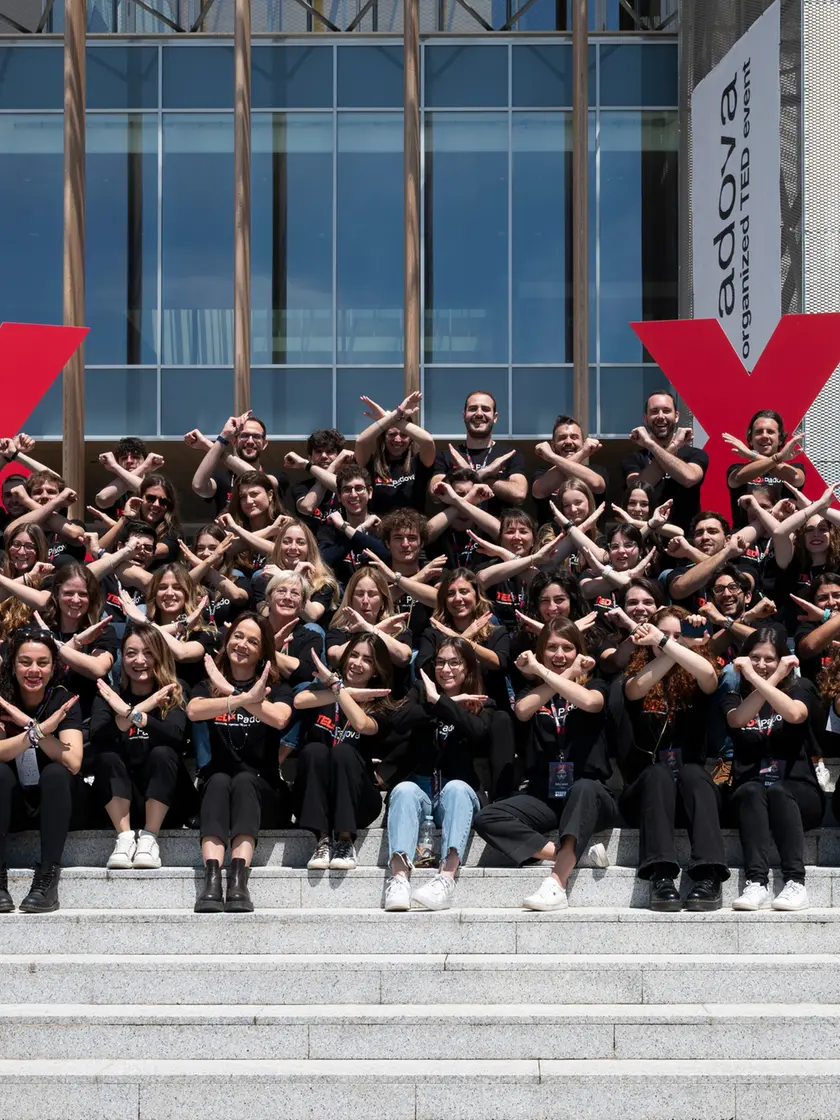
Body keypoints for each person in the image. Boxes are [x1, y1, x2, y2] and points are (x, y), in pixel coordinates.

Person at [474, 619, 616, 911]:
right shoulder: (533, 693)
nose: (559, 655)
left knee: (584, 788)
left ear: (580, 652)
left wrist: (546, 671)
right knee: (487, 817)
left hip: (590, 795)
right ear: (541, 651)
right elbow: (523, 711)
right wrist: (547, 675)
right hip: (546, 795)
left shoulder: (597, 683)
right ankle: (574, 853)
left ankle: (556, 884)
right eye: (551, 648)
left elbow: (591, 703)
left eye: (567, 648)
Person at [620, 606, 728, 911]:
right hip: (647, 798)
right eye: (661, 634)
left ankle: (708, 875)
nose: (669, 640)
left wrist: (673, 645)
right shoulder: (635, 673)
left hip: (692, 796)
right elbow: (636, 689)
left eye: (678, 635)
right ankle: (661, 874)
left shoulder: (696, 675)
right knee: (658, 774)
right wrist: (678, 645)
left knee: (695, 773)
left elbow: (709, 676)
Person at [188, 613, 294, 913]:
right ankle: (211, 880)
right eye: (238, 636)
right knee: (219, 779)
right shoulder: (208, 684)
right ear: (227, 639)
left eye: (253, 641)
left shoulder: (278, 688)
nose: (242, 644)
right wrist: (235, 696)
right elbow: (194, 710)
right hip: (218, 790)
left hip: (264, 791)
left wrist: (231, 691)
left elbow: (280, 717)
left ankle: (238, 879)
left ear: (263, 652)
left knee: (245, 780)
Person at [383, 639, 490, 911]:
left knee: (456, 787)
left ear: (468, 668)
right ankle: (399, 879)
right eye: (440, 662)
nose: (446, 669)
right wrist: (436, 702)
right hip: (422, 797)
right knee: (403, 790)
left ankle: (446, 877)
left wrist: (443, 703)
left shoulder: (482, 702)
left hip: (456, 801)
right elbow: (398, 721)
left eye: (454, 662)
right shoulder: (421, 691)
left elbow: (477, 733)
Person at [725, 629, 824, 911]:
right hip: (750, 792)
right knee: (754, 791)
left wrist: (771, 678)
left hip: (798, 791)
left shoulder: (801, 687)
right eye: (754, 657)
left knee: (779, 791)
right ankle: (756, 883)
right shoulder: (732, 695)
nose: (761, 664)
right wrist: (766, 679)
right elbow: (738, 720)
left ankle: (795, 883)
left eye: (770, 659)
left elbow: (794, 714)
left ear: (781, 660)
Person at [90, 624, 193, 870]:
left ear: (160, 655)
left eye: (148, 653)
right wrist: (143, 707)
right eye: (131, 653)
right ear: (122, 658)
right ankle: (124, 839)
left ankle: (149, 839)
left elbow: (176, 736)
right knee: (107, 756)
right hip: (120, 798)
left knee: (163, 752)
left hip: (165, 800)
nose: (140, 660)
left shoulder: (174, 690)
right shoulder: (109, 693)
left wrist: (133, 714)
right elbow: (97, 737)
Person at [293, 637, 395, 871]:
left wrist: (340, 690)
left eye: (367, 660)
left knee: (343, 752)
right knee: (314, 750)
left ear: (377, 669)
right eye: (354, 655)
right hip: (316, 794)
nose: (357, 663)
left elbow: (361, 725)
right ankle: (322, 840)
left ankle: (345, 841)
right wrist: (344, 691)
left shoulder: (382, 704)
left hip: (358, 798)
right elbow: (299, 701)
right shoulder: (321, 691)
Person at [0, 628, 82, 913]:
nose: (33, 670)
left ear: (53, 667)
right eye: (25, 662)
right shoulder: (2, 697)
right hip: (12, 802)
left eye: (42, 662)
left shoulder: (63, 700)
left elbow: (73, 761)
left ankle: (46, 879)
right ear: (13, 664)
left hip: (55, 804)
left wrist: (35, 729)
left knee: (58, 773)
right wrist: (36, 733)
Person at [622, 391, 708, 531]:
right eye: (654, 411)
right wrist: (673, 446)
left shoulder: (695, 455)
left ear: (676, 416)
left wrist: (651, 444)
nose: (660, 416)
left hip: (685, 540)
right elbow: (637, 488)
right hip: (647, 538)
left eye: (666, 411)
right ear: (646, 418)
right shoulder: (633, 459)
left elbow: (689, 478)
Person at [430, 391, 527, 516]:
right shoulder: (448, 455)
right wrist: (482, 475)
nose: (479, 413)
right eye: (473, 409)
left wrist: (475, 475)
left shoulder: (509, 454)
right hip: (456, 532)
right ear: (464, 415)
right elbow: (435, 493)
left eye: (485, 409)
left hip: (497, 531)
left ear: (495, 417)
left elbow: (519, 494)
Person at [191, 410, 289, 515]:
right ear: (234, 441)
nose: (250, 441)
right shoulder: (222, 479)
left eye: (256, 436)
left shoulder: (278, 476)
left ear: (264, 444)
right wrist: (223, 436)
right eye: (244, 435)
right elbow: (198, 486)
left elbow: (263, 481)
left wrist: (208, 445)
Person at [353, 391, 436, 515]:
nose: (397, 439)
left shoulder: (419, 463)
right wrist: (395, 415)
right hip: (378, 530)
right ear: (384, 438)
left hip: (411, 531)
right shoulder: (371, 463)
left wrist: (391, 418)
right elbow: (361, 442)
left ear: (411, 439)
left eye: (404, 435)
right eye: (392, 434)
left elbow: (428, 441)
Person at [724, 410, 806, 528]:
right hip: (745, 539)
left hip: (783, 539)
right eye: (758, 432)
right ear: (750, 440)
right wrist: (776, 458)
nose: (764, 436)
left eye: (770, 431)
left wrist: (752, 455)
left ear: (780, 439)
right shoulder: (737, 469)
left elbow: (796, 479)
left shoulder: (796, 468)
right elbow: (736, 479)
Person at [324, 567, 413, 671]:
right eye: (359, 594)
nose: (365, 600)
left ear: (383, 601)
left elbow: (403, 657)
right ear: (350, 599)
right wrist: (373, 629)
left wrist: (369, 628)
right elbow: (335, 659)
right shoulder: (339, 631)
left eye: (372, 594)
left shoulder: (397, 628)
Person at [315, 465, 390, 586]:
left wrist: (346, 528)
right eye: (347, 490)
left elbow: (387, 556)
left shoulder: (382, 525)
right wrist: (360, 529)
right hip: (339, 600)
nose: (353, 495)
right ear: (339, 496)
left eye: (359, 488)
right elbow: (324, 562)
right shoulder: (329, 527)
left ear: (370, 492)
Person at [254, 518, 339, 623]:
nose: (293, 547)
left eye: (300, 542)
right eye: (287, 541)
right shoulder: (263, 578)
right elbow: (267, 616)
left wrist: (286, 577)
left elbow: (311, 617)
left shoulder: (323, 583)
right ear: (278, 547)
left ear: (309, 548)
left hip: (308, 637)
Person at [532, 415, 608, 526]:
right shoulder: (542, 473)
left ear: (583, 443)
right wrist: (582, 454)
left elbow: (597, 485)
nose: (568, 442)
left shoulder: (597, 470)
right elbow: (539, 491)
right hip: (553, 539)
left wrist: (551, 456)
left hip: (590, 540)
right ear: (552, 445)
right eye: (562, 438)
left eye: (574, 437)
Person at [97, 473, 182, 570]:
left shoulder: (173, 532)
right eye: (151, 498)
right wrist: (124, 519)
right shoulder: (126, 524)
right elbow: (96, 552)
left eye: (163, 502)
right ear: (140, 498)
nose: (156, 504)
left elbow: (156, 551)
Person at [178, 524, 251, 635]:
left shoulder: (238, 579)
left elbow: (237, 596)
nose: (206, 553)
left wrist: (202, 564)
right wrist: (208, 563)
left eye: (213, 548)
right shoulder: (188, 577)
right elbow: (180, 588)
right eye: (200, 548)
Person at [5, 470, 86, 567]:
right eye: (37, 492)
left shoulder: (74, 523)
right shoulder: (25, 527)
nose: (44, 496)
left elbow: (76, 536)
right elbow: (9, 533)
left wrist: (28, 502)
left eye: (51, 492)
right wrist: (55, 502)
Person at [285, 429, 350, 530]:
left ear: (339, 456)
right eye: (318, 452)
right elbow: (307, 507)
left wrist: (307, 466)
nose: (324, 456)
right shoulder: (301, 487)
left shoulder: (351, 485)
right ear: (310, 458)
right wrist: (333, 465)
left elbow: (343, 488)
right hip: (312, 544)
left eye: (330, 451)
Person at [94, 437, 164, 520]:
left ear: (145, 460)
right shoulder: (112, 488)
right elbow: (102, 499)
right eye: (124, 458)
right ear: (118, 462)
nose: (129, 461)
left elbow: (148, 492)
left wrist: (115, 467)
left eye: (136, 457)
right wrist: (144, 467)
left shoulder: (158, 486)